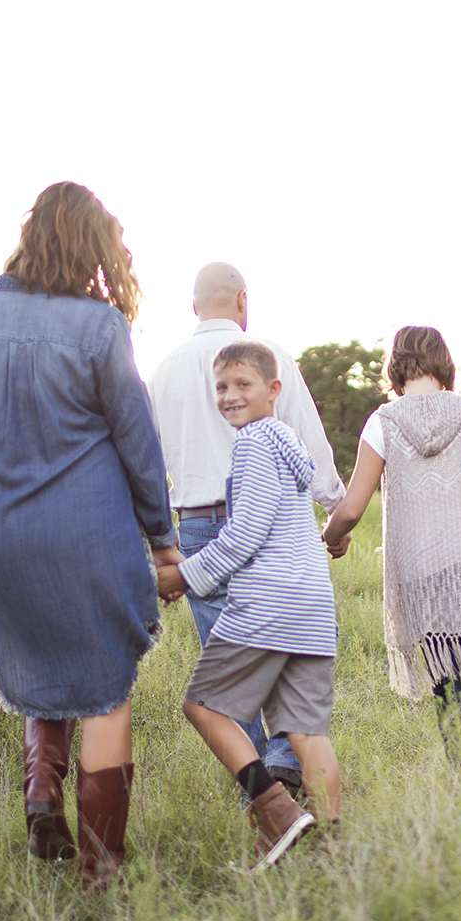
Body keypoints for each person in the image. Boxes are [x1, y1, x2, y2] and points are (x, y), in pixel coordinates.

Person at [0, 181, 180, 891]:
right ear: (92, 248)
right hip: (86, 533)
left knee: (39, 650)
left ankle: (43, 796)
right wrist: (163, 541)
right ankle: (102, 871)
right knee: (105, 685)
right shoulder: (102, 330)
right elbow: (138, 445)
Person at [147, 263, 345, 805]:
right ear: (242, 300)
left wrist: (162, 551)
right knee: (280, 661)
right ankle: (289, 777)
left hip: (198, 526)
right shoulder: (269, 354)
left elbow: (146, 465)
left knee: (227, 666)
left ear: (194, 307)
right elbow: (309, 437)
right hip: (286, 532)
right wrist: (335, 509)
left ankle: (263, 794)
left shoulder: (162, 370)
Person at [320, 325, 461, 760]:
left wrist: (327, 537)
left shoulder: (383, 422)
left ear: (396, 367)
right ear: (444, 363)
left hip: (419, 570)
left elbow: (350, 509)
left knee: (447, 679)